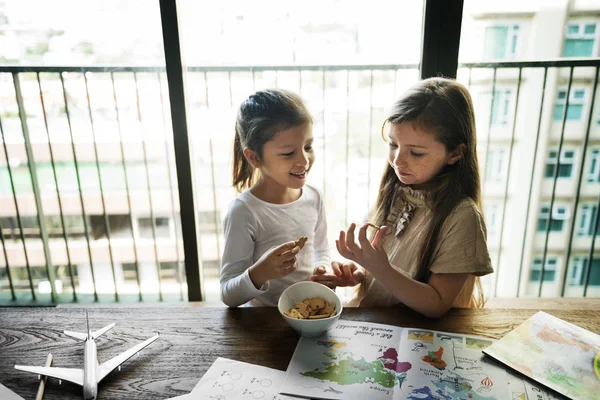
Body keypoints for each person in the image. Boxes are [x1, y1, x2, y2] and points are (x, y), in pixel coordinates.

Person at [311, 77, 493, 318]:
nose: (398, 161)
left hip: (421, 337)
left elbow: (436, 304)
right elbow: (382, 273)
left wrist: (379, 267)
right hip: (374, 325)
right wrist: (355, 273)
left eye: (416, 153)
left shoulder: (461, 215)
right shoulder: (395, 191)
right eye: (393, 144)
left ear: (455, 153)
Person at [220, 89, 330, 307]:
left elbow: (321, 250)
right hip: (265, 324)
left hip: (310, 315)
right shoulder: (244, 212)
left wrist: (323, 270)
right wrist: (260, 273)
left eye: (308, 147)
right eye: (289, 153)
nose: (304, 160)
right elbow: (228, 294)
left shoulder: (314, 197)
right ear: (254, 157)